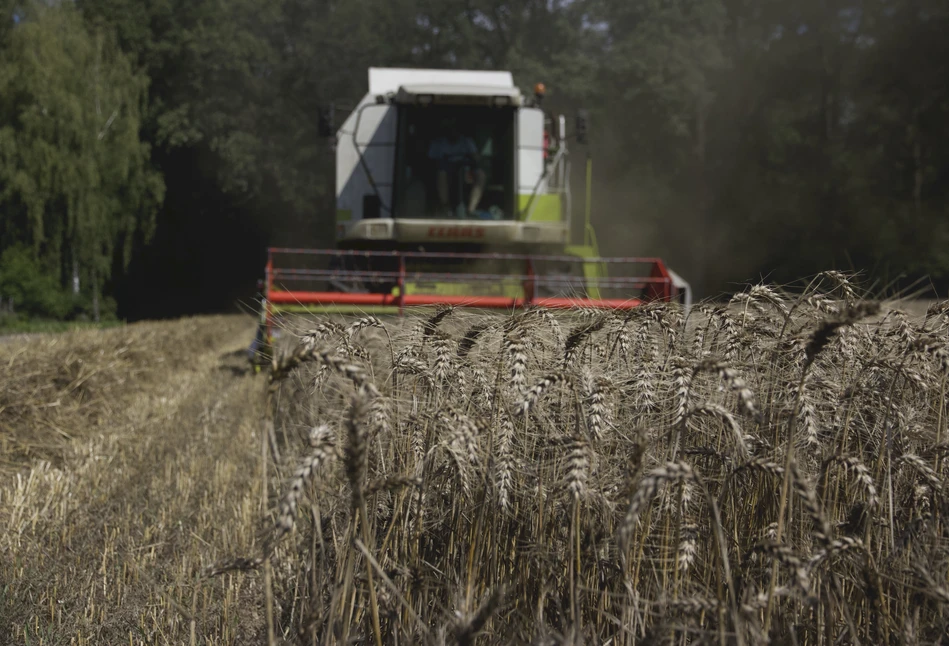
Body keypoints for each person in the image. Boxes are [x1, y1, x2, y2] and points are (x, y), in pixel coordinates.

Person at [428, 117, 486, 217]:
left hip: (465, 171)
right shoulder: (438, 143)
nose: (453, 132)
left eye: (455, 129)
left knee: (481, 175)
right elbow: (430, 162)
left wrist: (472, 157)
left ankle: (471, 209)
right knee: (441, 173)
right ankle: (445, 207)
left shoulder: (466, 141)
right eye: (450, 129)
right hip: (445, 171)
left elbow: (477, 159)